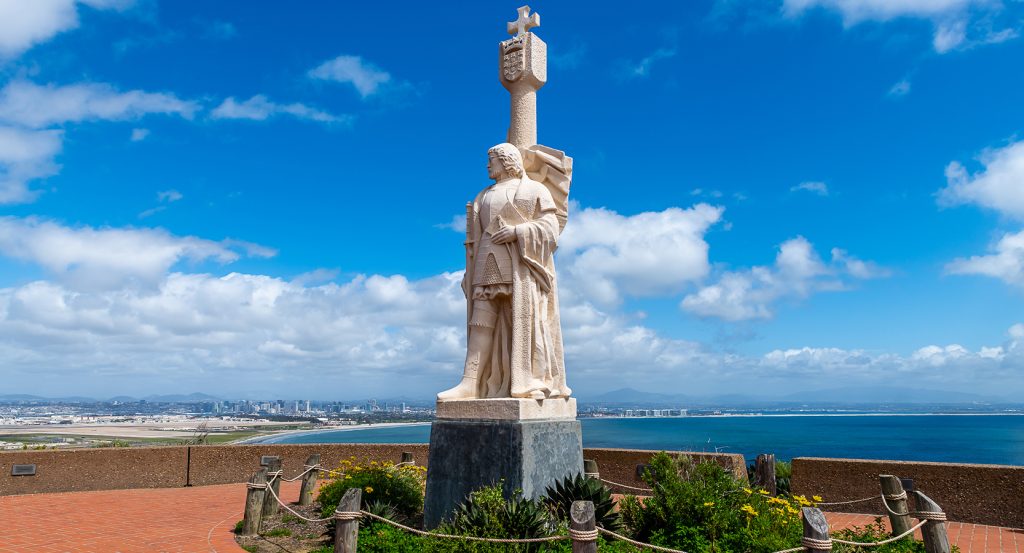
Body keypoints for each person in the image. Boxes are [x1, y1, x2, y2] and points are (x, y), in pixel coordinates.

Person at [438, 143, 570, 401]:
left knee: (521, 322)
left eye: (492, 160)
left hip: (518, 266)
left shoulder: (533, 190)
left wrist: (518, 232)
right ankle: (470, 383)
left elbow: (551, 226)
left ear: (507, 161)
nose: (488, 165)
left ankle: (526, 378)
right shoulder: (482, 196)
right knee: (480, 323)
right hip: (485, 266)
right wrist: (470, 271)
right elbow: (474, 241)